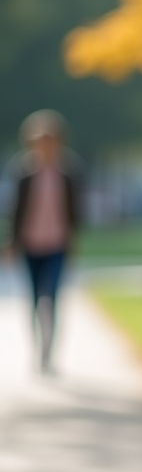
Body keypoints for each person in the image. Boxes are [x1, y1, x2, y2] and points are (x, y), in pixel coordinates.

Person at [3, 109, 82, 375]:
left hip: (57, 243)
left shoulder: (68, 172)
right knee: (36, 298)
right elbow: (16, 211)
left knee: (53, 296)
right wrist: (12, 243)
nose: (45, 144)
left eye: (49, 139)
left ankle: (49, 350)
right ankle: (38, 348)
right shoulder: (23, 172)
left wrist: (74, 239)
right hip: (30, 244)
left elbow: (75, 210)